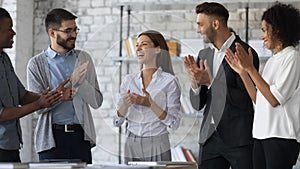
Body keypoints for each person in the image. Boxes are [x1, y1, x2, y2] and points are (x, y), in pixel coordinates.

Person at [183, 2, 259, 169]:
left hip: (239, 140)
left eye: (200, 24)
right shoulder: (203, 55)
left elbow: (246, 98)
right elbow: (198, 105)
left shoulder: (245, 53)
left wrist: (211, 82)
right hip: (209, 140)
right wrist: (195, 83)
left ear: (215, 24)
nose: (198, 30)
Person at [225, 3, 300, 169]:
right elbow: (259, 99)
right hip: (261, 134)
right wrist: (243, 72)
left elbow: (274, 99)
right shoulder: (273, 60)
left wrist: (251, 69)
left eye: (266, 30)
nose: (263, 36)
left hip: (281, 136)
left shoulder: (292, 58)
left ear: (279, 29)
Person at [27, 8, 103, 164]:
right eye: (68, 31)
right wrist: (61, 96)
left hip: (81, 139)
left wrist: (79, 83)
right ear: (52, 33)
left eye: (75, 30)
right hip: (52, 141)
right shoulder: (36, 64)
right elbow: (36, 108)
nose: (74, 35)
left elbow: (97, 101)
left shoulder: (83, 58)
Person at [0, 7, 65, 162]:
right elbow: (1, 114)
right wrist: (39, 104)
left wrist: (51, 96)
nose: (13, 33)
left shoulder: (5, 59)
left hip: (11, 145)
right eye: (9, 29)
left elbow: (22, 95)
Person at [113, 30, 181, 163]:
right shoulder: (129, 80)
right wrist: (125, 105)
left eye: (144, 44)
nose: (138, 48)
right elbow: (116, 121)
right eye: (137, 45)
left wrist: (150, 104)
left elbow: (174, 123)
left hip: (158, 142)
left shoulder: (169, 81)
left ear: (157, 50)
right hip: (132, 142)